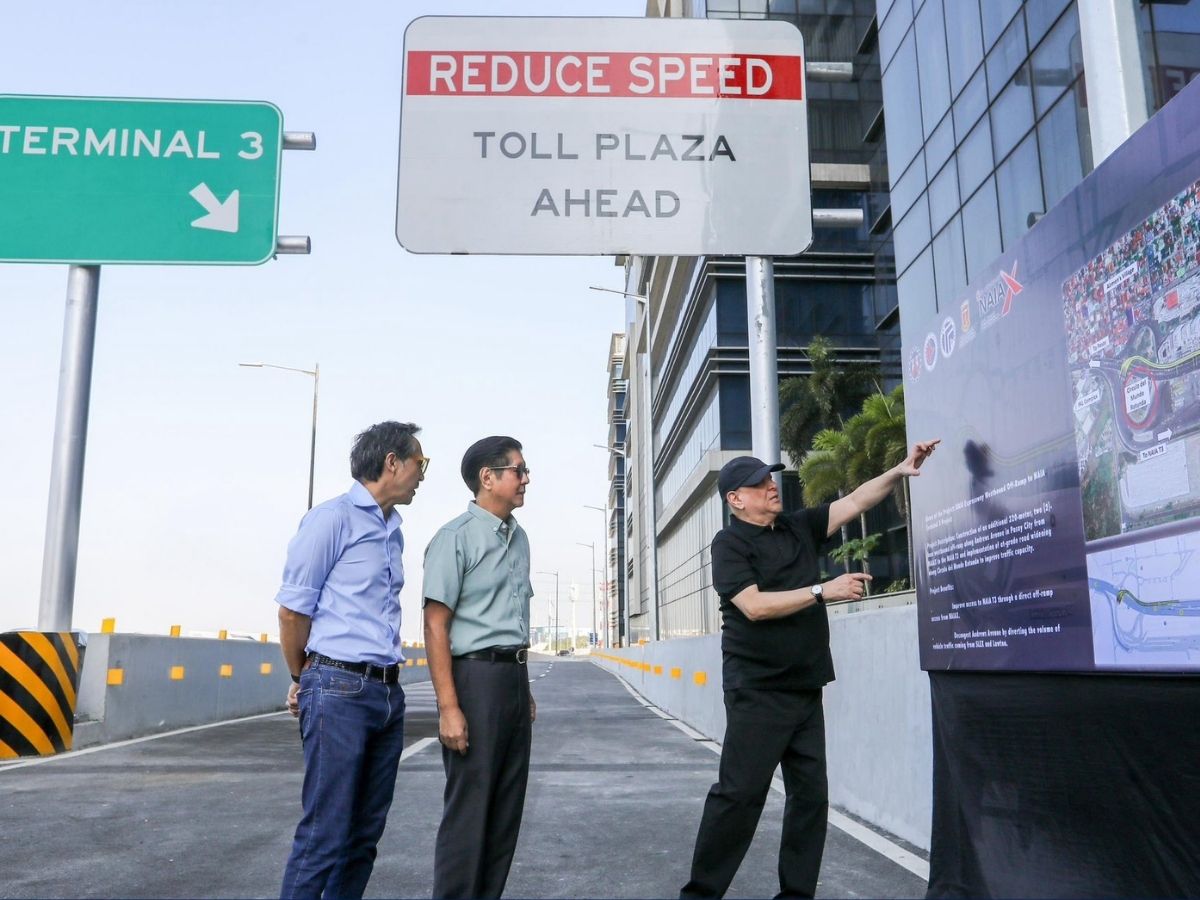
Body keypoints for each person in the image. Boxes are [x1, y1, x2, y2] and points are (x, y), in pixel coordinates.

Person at [680, 439, 939, 900]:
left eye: (770, 478)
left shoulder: (797, 527)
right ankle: (700, 895)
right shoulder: (729, 544)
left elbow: (856, 501)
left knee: (810, 800)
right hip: (758, 691)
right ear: (735, 499)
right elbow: (754, 606)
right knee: (740, 797)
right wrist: (822, 591)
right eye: (758, 483)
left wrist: (899, 470)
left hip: (805, 688)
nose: (771, 486)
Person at [276, 421, 428, 900]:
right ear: (392, 462)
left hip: (387, 693)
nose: (423, 474)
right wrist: (304, 677)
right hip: (339, 688)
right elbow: (292, 611)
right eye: (420, 462)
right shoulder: (331, 519)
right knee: (325, 832)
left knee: (363, 837)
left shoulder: (392, 531)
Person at [423, 435, 536, 899]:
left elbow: (511, 618)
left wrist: (523, 688)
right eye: (518, 470)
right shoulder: (454, 538)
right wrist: (449, 708)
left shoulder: (519, 538)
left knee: (506, 812)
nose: (526, 479)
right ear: (487, 478)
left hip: (513, 679)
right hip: (475, 681)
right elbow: (435, 625)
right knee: (470, 811)